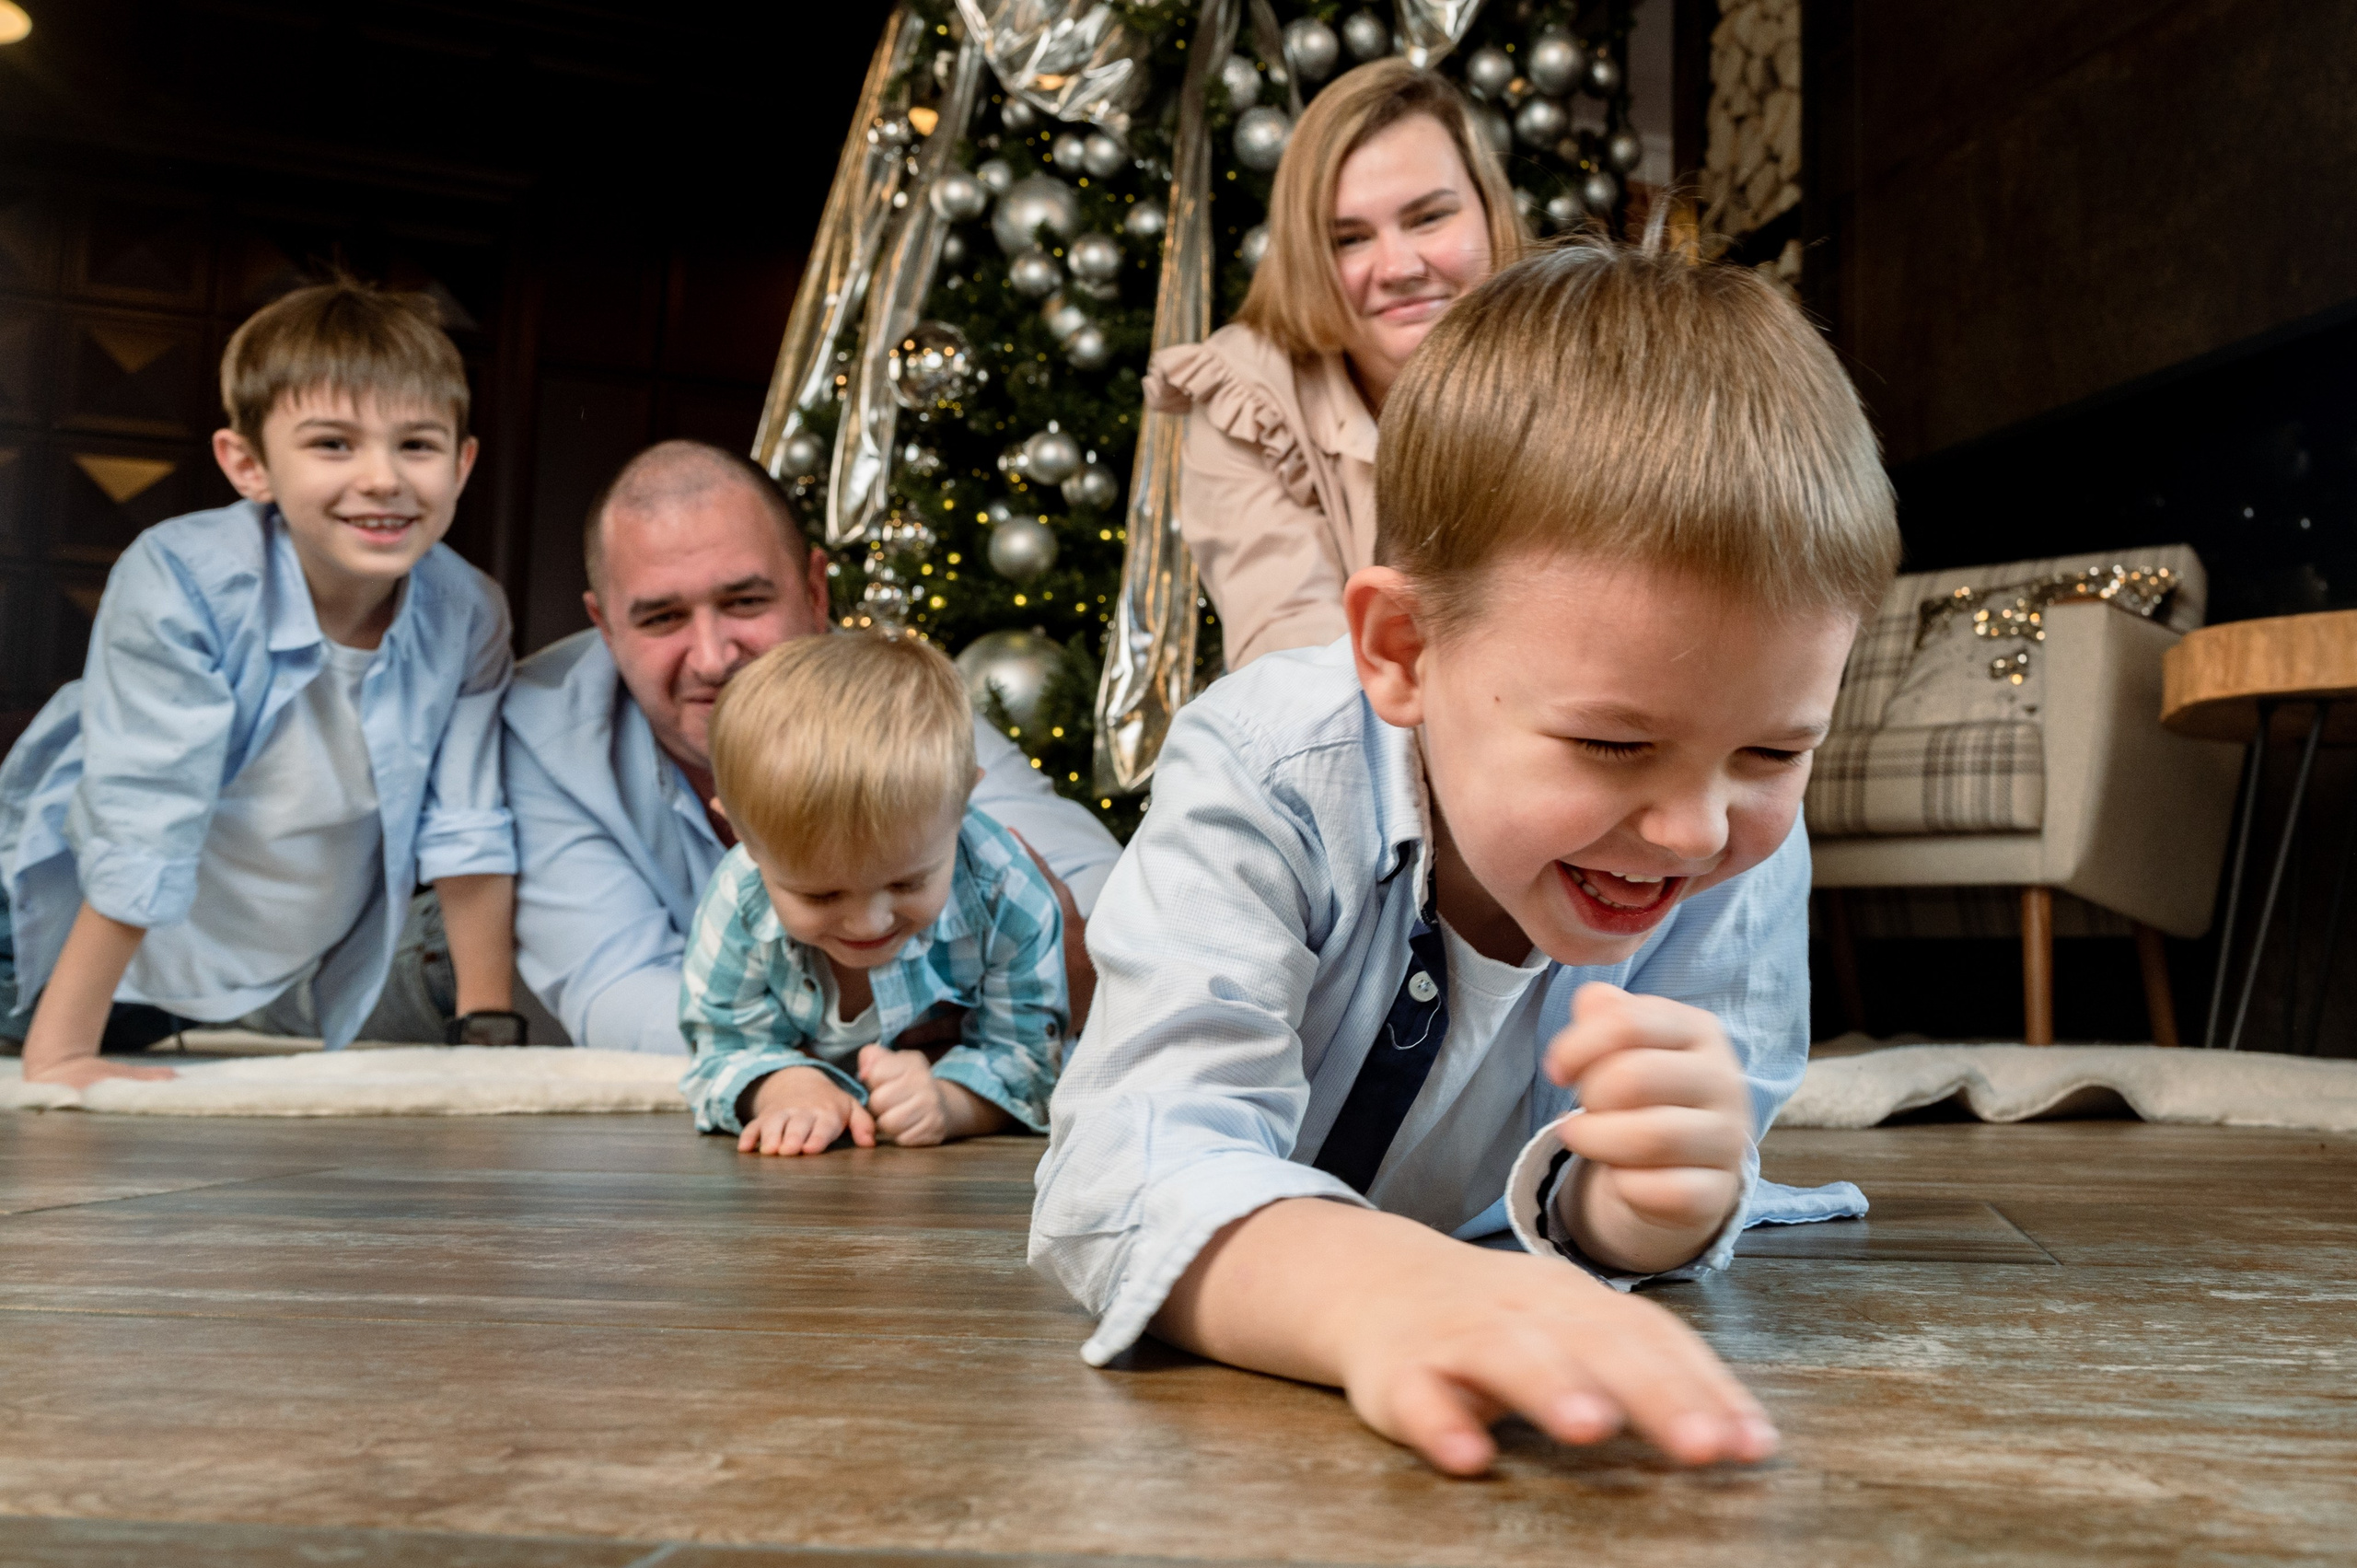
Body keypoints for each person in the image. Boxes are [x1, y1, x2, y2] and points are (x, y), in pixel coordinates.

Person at [1030, 238, 1900, 1475]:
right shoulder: (1267, 769)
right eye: (1613, 741)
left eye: (1773, 751)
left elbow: (1690, 1155)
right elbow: (1128, 1166)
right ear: (1402, 649)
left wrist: (1644, 1207)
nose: (1698, 828)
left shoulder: (1735, 839)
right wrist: (1378, 1289)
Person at [0, 280, 521, 1086]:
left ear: (462, 463)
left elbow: (469, 825)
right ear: (248, 465)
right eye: (334, 445)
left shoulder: (470, 612)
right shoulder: (181, 577)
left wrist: (489, 1042)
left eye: (416, 444)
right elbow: (144, 809)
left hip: (207, 989)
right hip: (51, 946)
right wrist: (62, 1048)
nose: (384, 477)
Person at [504, 440, 1120, 1056]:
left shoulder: (892, 698)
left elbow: (1101, 911)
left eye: (745, 601)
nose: (715, 658)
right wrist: (885, 1037)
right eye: (662, 617)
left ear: (815, 591)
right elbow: (619, 998)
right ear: (605, 626)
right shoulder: (542, 731)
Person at [1146, 59, 1523, 668]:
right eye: (1350, 239)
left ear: (1489, 209)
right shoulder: (1245, 397)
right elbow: (1298, 664)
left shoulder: (1585, 361)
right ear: (1308, 255)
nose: (1399, 267)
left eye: (1429, 217)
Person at [679, 633, 1066, 1156]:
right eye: (819, 896)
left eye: (907, 883)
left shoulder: (1007, 891)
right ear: (744, 839)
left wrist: (948, 1104)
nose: (867, 924)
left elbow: (1030, 1062)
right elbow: (720, 1045)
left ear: (961, 802)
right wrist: (781, 1087)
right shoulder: (739, 898)